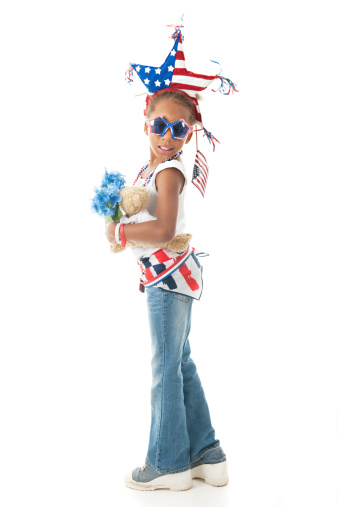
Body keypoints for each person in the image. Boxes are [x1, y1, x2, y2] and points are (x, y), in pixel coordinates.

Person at [105, 89, 229, 491]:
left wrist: (120, 231)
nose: (168, 136)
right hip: (172, 277)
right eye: (161, 126)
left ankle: (168, 461)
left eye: (179, 129)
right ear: (146, 123)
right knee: (180, 364)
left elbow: (164, 230)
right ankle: (206, 456)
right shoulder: (153, 168)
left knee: (165, 370)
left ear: (189, 134)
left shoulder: (170, 171)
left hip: (169, 279)